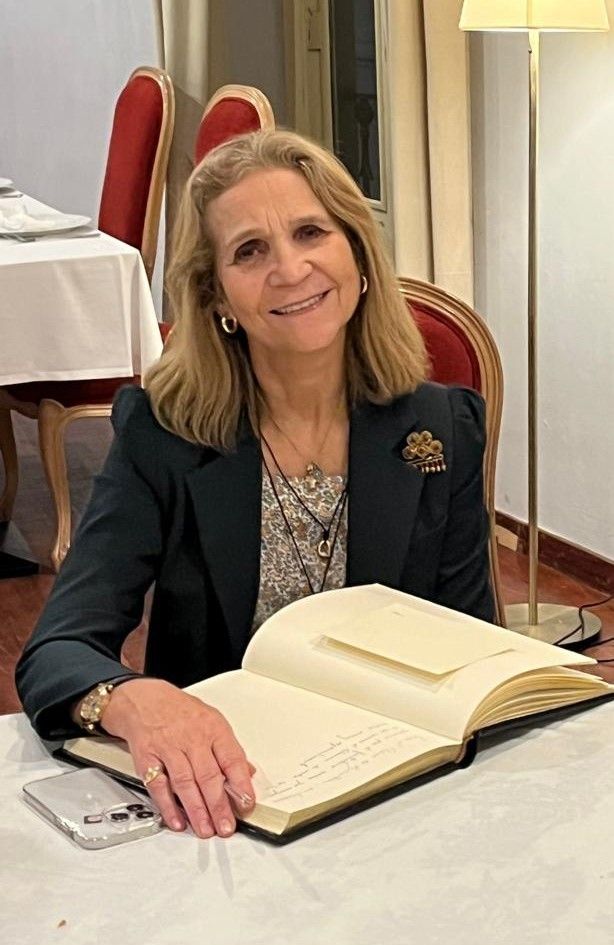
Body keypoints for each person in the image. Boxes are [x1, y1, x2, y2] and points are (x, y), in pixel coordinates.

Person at [16, 129, 493, 840]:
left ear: (357, 256)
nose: (291, 268)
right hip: (231, 802)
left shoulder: (440, 425)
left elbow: (476, 651)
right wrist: (135, 698)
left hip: (404, 798)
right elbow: (58, 648)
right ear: (218, 298)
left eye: (310, 232)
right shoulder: (163, 433)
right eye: (249, 251)